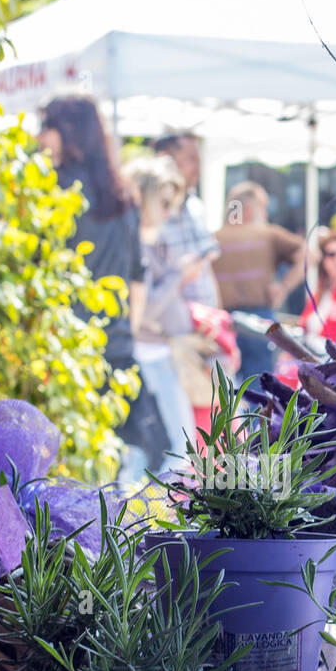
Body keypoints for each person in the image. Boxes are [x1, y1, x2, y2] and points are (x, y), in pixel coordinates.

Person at [38, 95, 167, 479]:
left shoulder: (52, 188)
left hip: (63, 353)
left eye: (47, 126)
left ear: (69, 132)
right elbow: (137, 276)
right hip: (116, 349)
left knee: (58, 468)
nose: (39, 137)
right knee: (112, 468)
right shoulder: (122, 195)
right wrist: (125, 330)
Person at [124, 155, 198, 459]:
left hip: (158, 352)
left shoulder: (144, 242)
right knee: (176, 448)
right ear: (145, 197)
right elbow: (144, 309)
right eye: (164, 204)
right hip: (150, 354)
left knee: (158, 448)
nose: (168, 213)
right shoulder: (134, 245)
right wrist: (179, 275)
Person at [213, 181, 305, 382]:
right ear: (248, 210)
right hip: (258, 319)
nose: (265, 214)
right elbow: (308, 255)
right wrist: (283, 287)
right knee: (258, 386)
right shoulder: (268, 234)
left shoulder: (213, 239)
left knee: (224, 386)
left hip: (222, 321)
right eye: (263, 207)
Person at [151, 133, 221, 308]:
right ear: (165, 159)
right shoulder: (150, 215)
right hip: (171, 322)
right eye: (191, 159)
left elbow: (207, 269)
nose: (198, 168)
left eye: (198, 160)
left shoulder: (196, 206)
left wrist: (219, 314)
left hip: (207, 320)